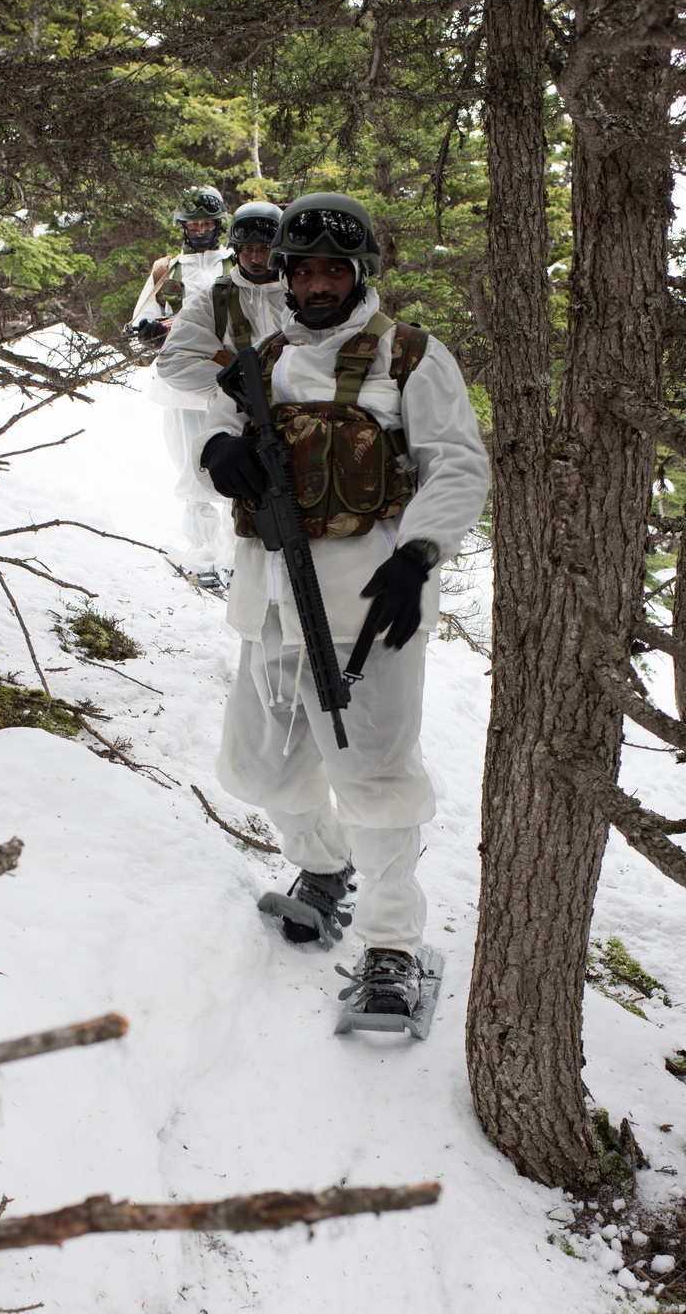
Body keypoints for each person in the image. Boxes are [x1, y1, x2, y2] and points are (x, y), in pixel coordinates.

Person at [195, 192, 489, 1017]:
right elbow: (211, 436)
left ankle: (391, 943)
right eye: (306, 268)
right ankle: (325, 868)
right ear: (285, 275)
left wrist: (420, 553)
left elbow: (458, 465)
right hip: (272, 604)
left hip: (371, 607)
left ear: (360, 274)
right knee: (262, 766)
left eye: (336, 268)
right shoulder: (265, 361)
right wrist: (218, 451)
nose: (319, 282)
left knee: (377, 780)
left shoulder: (411, 359)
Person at [154, 201, 288, 587]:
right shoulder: (215, 298)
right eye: (247, 249)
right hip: (236, 414)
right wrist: (231, 384)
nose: (256, 257)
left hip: (297, 412)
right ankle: (214, 558)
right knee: (220, 481)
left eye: (264, 248)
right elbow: (173, 362)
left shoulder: (300, 293)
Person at [129, 187, 233, 580]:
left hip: (226, 378)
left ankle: (235, 554)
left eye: (207, 222)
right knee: (191, 465)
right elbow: (144, 316)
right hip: (180, 384)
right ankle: (203, 551)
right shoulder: (167, 270)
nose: (201, 229)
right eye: (194, 223)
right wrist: (150, 331)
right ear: (183, 226)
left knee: (233, 457)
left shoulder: (236, 264)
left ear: (218, 224)